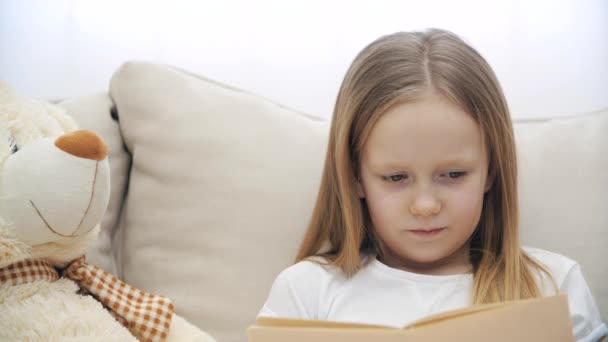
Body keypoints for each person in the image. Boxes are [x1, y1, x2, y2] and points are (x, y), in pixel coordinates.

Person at [258, 29, 607, 341]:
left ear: (492, 171)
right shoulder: (307, 291)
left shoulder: (553, 286)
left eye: (453, 175)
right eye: (396, 178)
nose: (425, 205)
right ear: (355, 177)